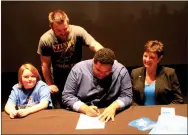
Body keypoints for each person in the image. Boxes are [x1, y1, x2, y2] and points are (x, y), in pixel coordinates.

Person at [37, 9, 104, 108]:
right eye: (58, 31)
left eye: (65, 29)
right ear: (51, 27)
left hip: (77, 73)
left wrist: (105, 54)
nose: (63, 33)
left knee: (81, 102)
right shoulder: (46, 39)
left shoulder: (78, 31)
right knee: (63, 105)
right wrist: (50, 84)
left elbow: (93, 44)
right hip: (59, 76)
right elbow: (45, 65)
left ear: (68, 23)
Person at [62, 48, 132, 122]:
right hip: (83, 113)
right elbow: (67, 96)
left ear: (112, 66)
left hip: (110, 112)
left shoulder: (121, 71)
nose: (102, 74)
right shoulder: (78, 70)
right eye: (98, 70)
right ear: (93, 62)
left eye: (107, 72)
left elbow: (127, 96)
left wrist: (114, 106)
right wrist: (85, 108)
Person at [131, 40, 184, 106]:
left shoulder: (169, 73)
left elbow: (178, 100)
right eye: (145, 56)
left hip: (162, 114)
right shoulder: (135, 73)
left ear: (159, 58)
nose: (147, 60)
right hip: (141, 113)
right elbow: (131, 98)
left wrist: (164, 111)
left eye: (151, 57)